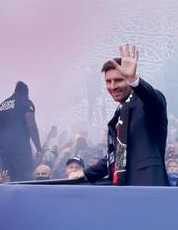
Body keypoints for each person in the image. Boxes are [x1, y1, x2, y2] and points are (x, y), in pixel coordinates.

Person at [72, 45, 169, 186]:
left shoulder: (147, 103)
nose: (112, 86)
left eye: (118, 80)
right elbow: (118, 155)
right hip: (124, 190)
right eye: (108, 81)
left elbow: (151, 97)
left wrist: (134, 79)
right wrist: (86, 173)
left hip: (149, 188)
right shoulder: (120, 112)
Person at [0, 81, 41, 181]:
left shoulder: (1, 106)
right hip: (22, 152)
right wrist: (39, 149)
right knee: (25, 181)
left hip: (6, 155)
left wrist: (1, 148)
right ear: (26, 93)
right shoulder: (26, 102)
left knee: (8, 180)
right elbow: (31, 126)